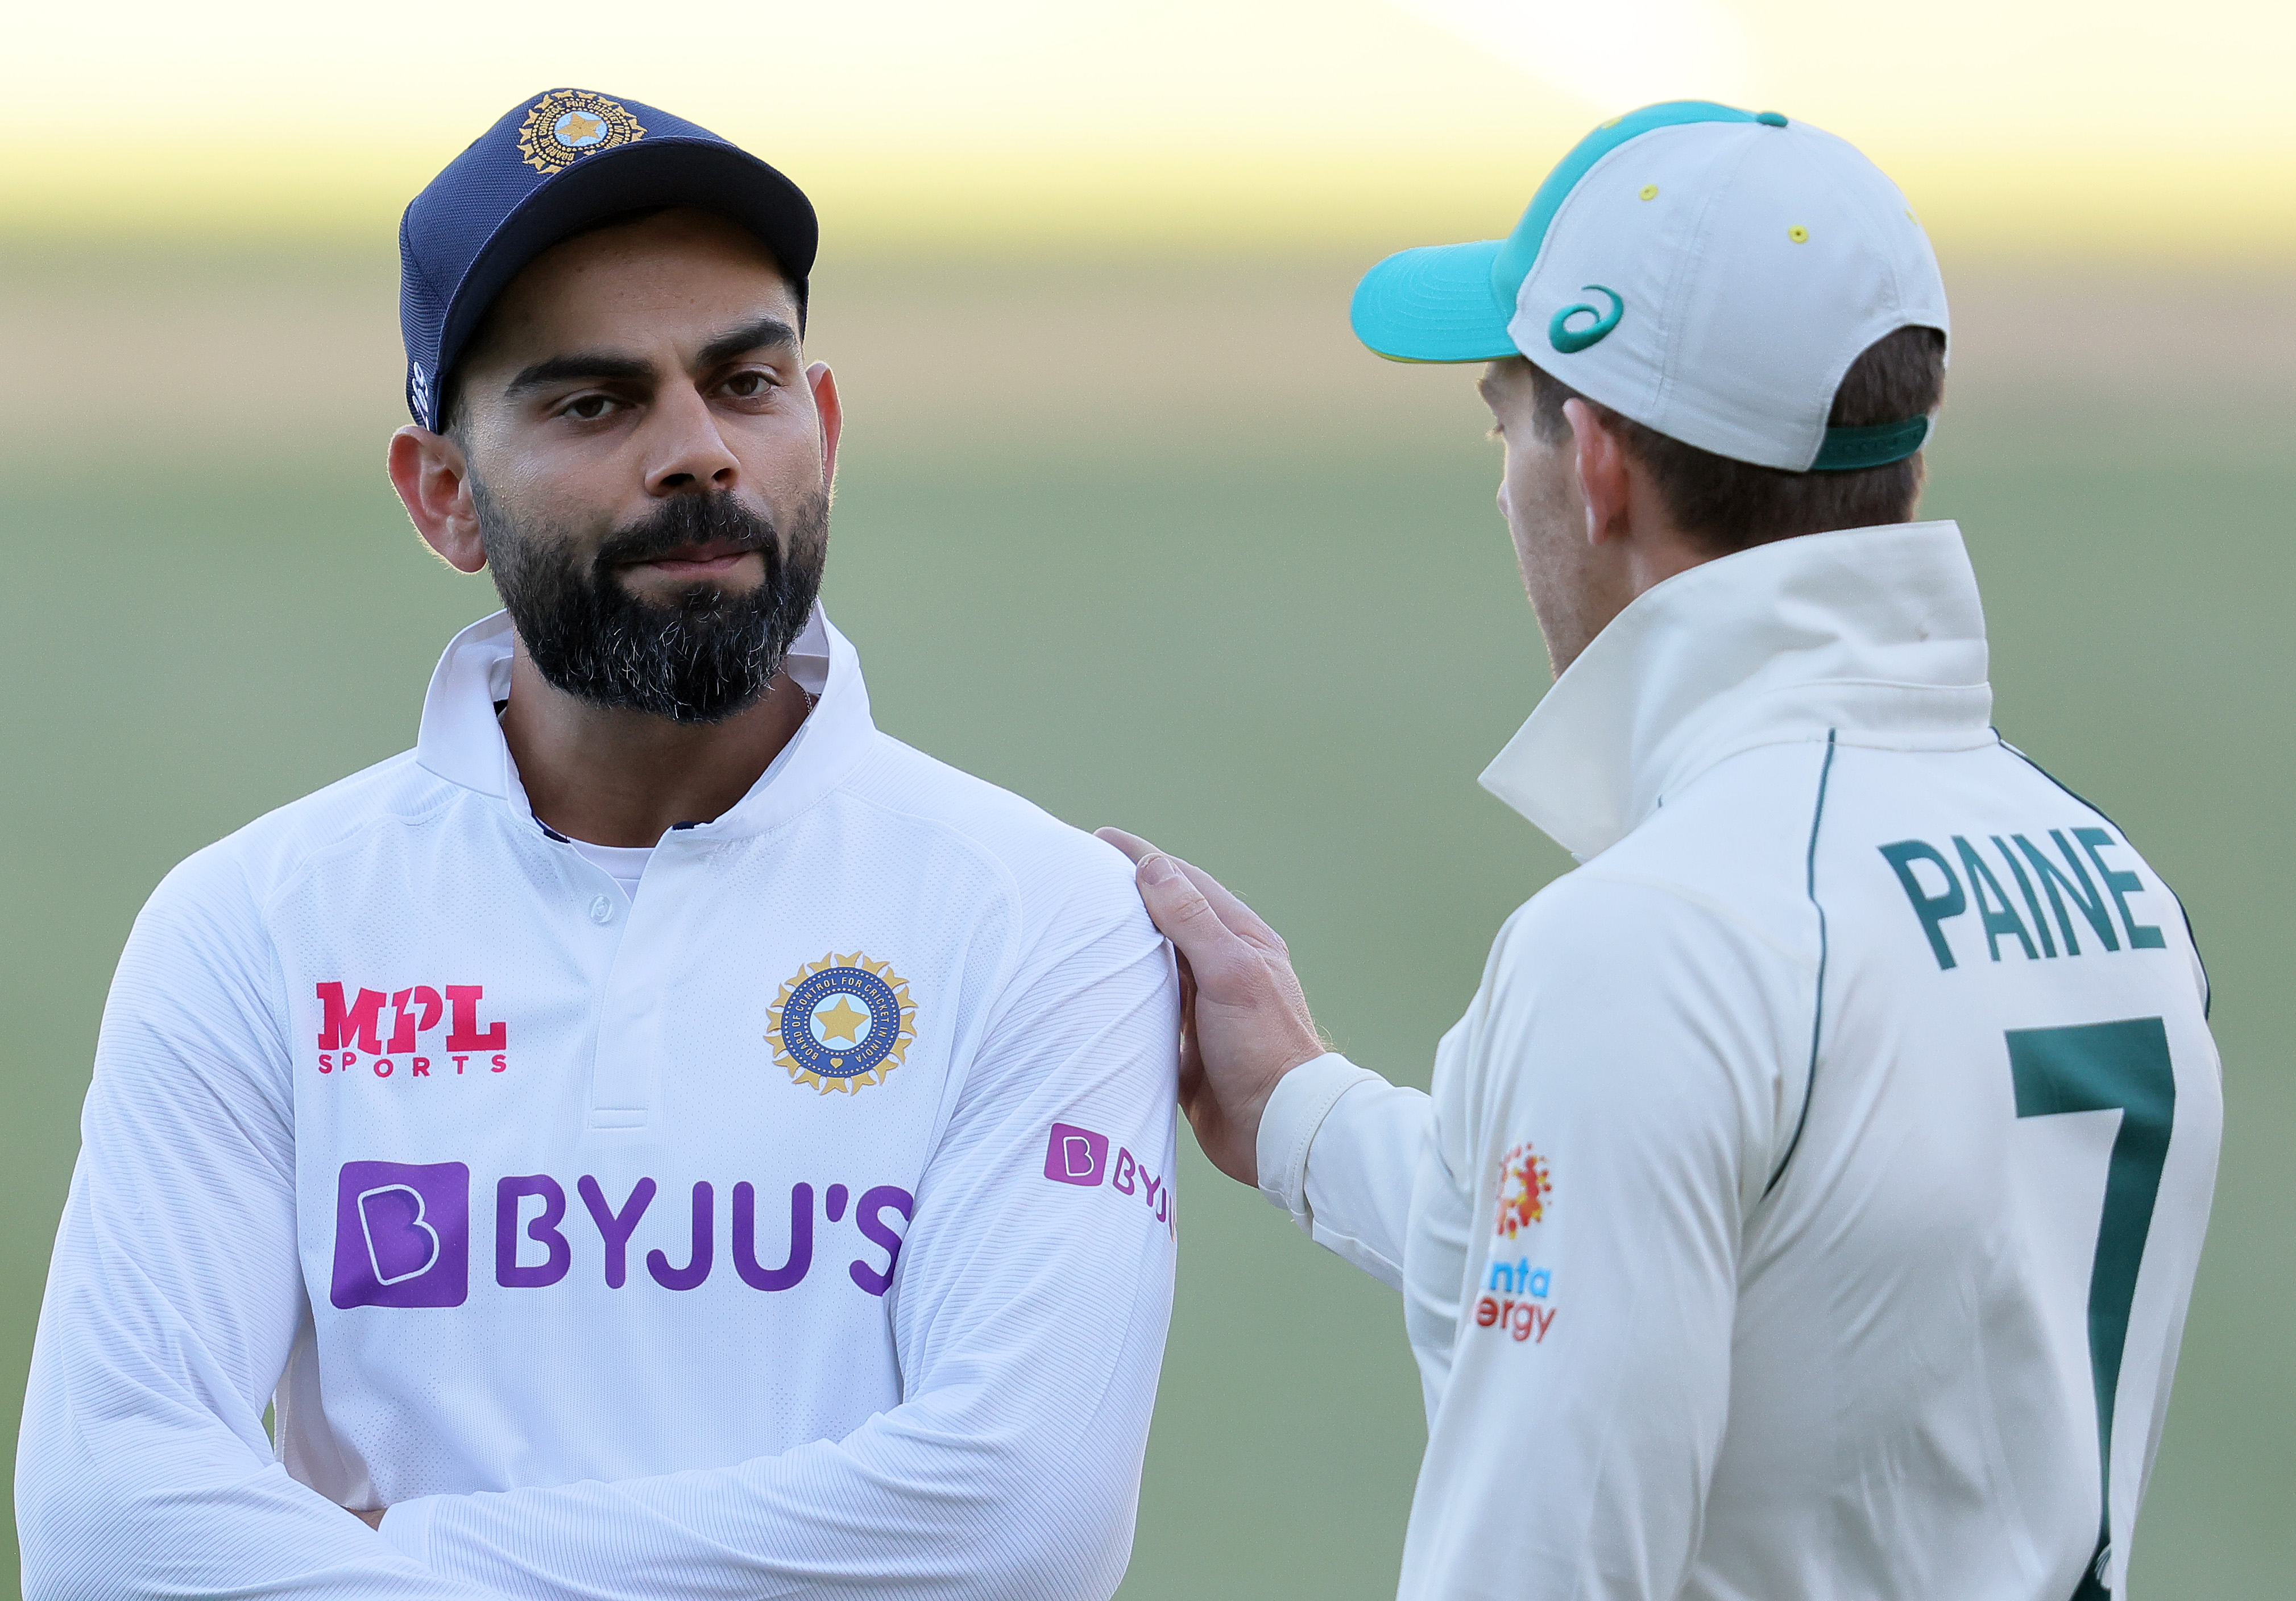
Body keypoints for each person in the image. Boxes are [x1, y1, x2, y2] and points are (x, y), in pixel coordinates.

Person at [18, 88, 1179, 1600]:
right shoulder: (254, 928)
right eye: (593, 403)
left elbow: (1019, 1525)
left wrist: (394, 1553)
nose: (696, 452)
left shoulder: (1045, 919)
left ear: (824, 430)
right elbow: (108, 1526)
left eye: (746, 383)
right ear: (445, 497)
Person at [1099, 101, 2220, 1599]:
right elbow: (1735, 1253)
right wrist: (1302, 1115)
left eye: (1504, 421)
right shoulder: (2111, 881)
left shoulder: (1656, 940)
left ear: (1598, 466)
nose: (1506, 476)